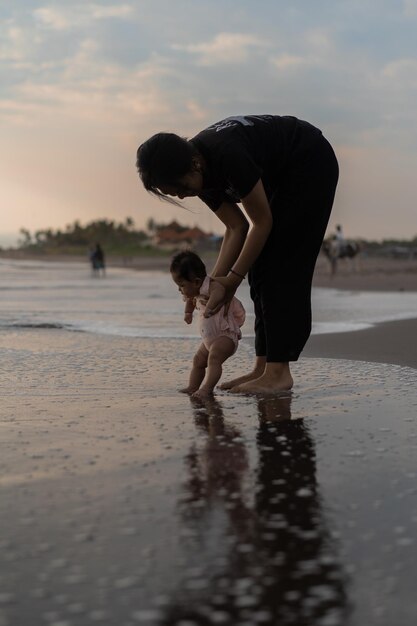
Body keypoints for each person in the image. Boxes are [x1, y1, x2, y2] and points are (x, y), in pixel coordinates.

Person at [137, 114, 339, 393]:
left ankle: (279, 373)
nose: (182, 196)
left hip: (308, 160)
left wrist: (231, 281)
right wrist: (209, 288)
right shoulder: (201, 172)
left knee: (282, 266)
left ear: (194, 163)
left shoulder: (226, 154)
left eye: (182, 188)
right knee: (258, 267)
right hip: (281, 174)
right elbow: (236, 227)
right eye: (175, 193)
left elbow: (262, 222)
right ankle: (263, 366)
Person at [170, 250, 245, 398]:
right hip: (209, 340)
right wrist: (188, 313)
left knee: (214, 358)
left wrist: (210, 307)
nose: (180, 289)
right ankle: (193, 386)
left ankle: (207, 388)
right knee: (198, 361)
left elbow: (220, 291)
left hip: (225, 336)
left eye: (182, 285)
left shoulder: (210, 285)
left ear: (197, 282)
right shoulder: (194, 292)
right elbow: (190, 301)